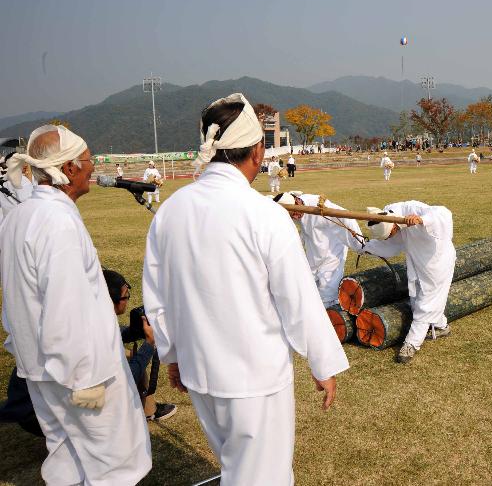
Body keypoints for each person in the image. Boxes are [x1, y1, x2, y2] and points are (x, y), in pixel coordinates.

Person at [143, 93, 347, 485]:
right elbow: (298, 299)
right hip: (255, 380)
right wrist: (322, 363)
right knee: (263, 477)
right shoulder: (263, 214)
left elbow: (158, 295)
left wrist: (172, 354)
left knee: (235, 466)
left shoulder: (171, 210)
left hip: (200, 372)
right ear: (258, 151)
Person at [0, 124, 151, 485]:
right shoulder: (57, 221)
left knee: (67, 456)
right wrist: (86, 382)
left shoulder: (19, 215)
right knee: (113, 463)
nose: (92, 167)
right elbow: (65, 310)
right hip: (80, 377)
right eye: (88, 160)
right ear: (68, 169)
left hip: (40, 371)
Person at [362, 200, 455, 364]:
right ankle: (441, 326)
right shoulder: (386, 216)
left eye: (392, 233)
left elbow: (444, 214)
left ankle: (411, 343)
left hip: (437, 263)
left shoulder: (413, 209)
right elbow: (390, 246)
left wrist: (421, 220)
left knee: (426, 304)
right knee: (417, 300)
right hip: (417, 262)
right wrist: (365, 247)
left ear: (394, 226)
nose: (392, 236)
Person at [103, 269, 177, 422]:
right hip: (96, 399)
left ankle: (148, 409)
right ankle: (146, 411)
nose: (128, 299)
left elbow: (116, 333)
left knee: (131, 355)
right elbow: (128, 376)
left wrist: (136, 330)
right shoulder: (101, 335)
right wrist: (149, 343)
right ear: (112, 301)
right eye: (126, 296)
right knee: (135, 358)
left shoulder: (95, 316)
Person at [278, 191, 364, 307]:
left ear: (298, 202)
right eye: (292, 216)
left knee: (328, 288)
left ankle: (332, 312)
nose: (295, 217)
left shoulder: (321, 206)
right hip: (313, 249)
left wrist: (360, 245)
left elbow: (346, 217)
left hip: (333, 250)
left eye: (295, 213)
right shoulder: (290, 201)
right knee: (307, 283)